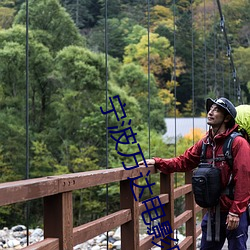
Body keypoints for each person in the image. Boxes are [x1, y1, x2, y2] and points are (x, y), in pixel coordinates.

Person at [139, 97, 250, 250]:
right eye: (210, 109)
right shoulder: (205, 143)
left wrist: (236, 212)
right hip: (213, 210)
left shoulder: (238, 143)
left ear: (227, 118)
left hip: (233, 211)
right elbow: (184, 161)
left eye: (216, 110)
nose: (210, 112)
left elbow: (244, 178)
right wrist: (158, 162)